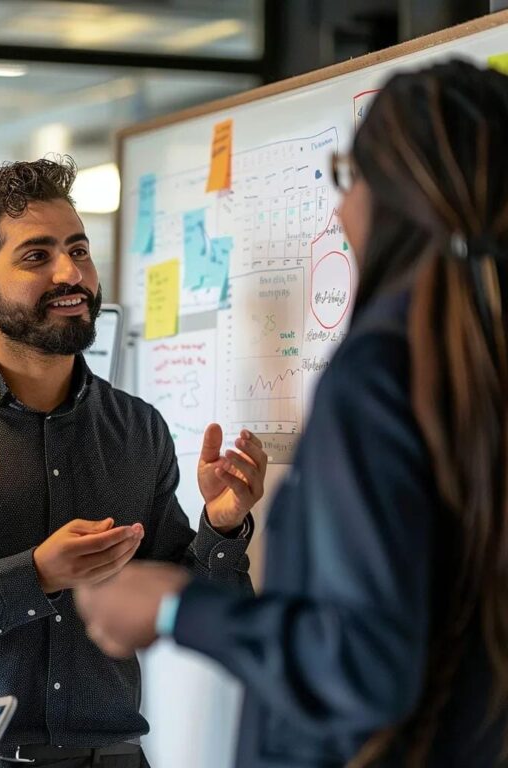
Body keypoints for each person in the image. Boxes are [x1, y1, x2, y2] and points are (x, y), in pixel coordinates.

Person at [75, 60, 508, 768]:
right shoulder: (474, 361)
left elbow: (361, 661)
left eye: (351, 178)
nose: (341, 211)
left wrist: (175, 607)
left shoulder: (382, 374)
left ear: (400, 192)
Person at [0, 157, 268, 768]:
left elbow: (188, 609)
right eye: (36, 256)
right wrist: (35, 577)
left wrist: (223, 526)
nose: (71, 273)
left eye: (79, 249)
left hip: (116, 756)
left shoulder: (136, 428)